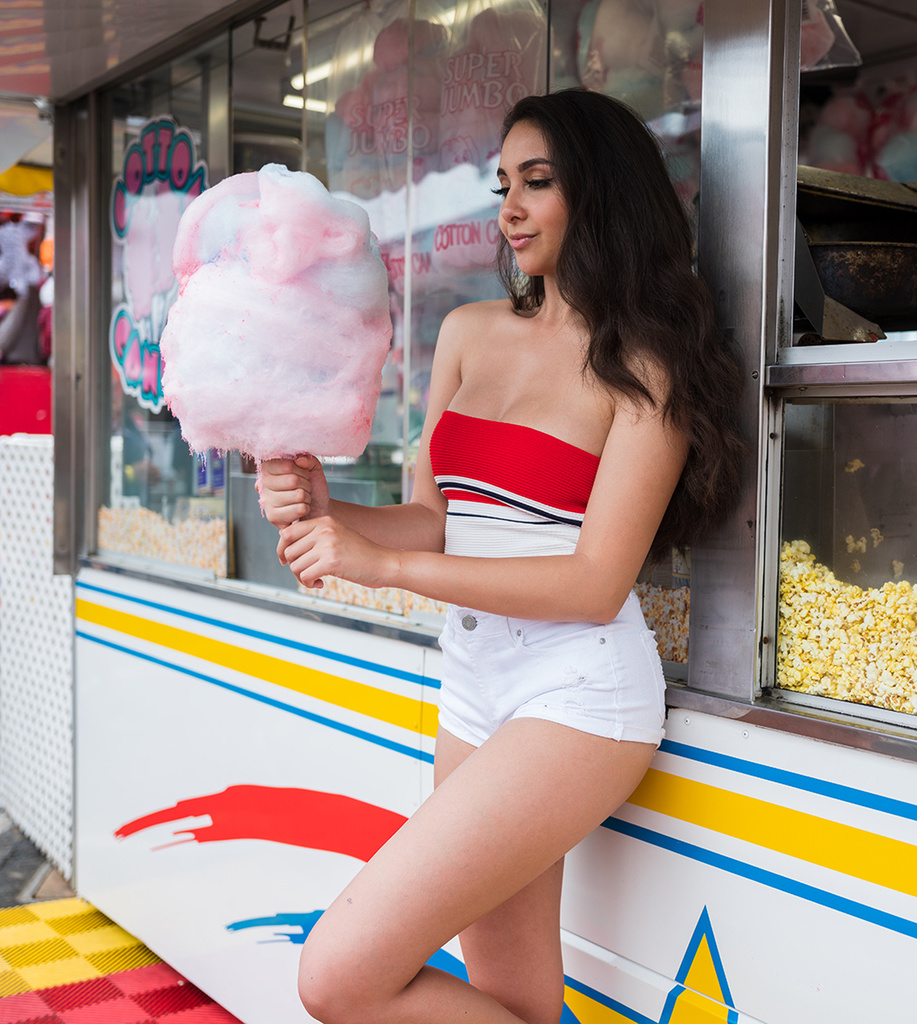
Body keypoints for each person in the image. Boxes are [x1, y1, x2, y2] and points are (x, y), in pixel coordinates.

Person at [257, 88, 744, 1024]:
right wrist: (331, 510)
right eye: (502, 185)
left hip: (580, 694)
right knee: (510, 1000)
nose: (508, 209)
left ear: (597, 195)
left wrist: (378, 565)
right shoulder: (469, 333)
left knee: (339, 976)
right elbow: (435, 519)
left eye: (538, 183)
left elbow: (595, 583)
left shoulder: (649, 363)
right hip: (476, 682)